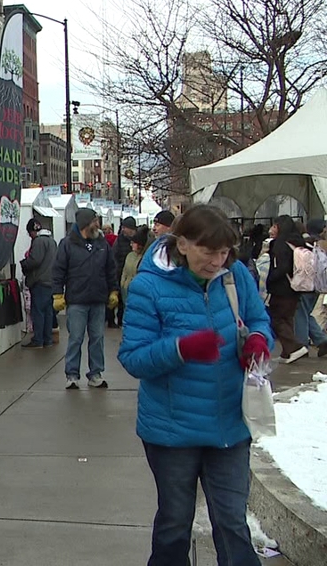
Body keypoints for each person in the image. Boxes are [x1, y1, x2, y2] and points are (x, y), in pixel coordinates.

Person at [118, 205, 273, 566]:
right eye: (209, 251)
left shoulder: (235, 276)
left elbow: (257, 319)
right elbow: (133, 357)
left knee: (233, 522)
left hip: (229, 426)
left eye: (224, 252)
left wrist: (258, 340)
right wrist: (181, 349)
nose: (218, 261)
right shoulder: (148, 286)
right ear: (183, 244)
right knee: (174, 523)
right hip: (172, 430)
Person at [53, 208, 118, 389]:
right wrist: (57, 294)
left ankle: (95, 373)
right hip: (77, 301)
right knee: (76, 338)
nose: (97, 225)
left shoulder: (102, 244)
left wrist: (113, 291)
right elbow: (58, 270)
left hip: (98, 299)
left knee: (97, 338)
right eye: (94, 221)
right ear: (85, 223)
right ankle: (72, 374)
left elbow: (111, 269)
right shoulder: (67, 244)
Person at [266, 215, 311, 363]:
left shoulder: (279, 244)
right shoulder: (298, 242)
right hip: (295, 286)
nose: (271, 229)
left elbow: (281, 266)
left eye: (274, 226)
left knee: (277, 318)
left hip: (281, 288)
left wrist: (270, 279)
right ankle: (288, 352)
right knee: (287, 318)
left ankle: (294, 348)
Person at [21, 218, 58, 348]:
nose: (30, 236)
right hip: (50, 281)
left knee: (38, 312)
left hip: (39, 281)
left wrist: (24, 264)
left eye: (29, 233)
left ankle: (38, 340)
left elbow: (34, 261)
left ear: (33, 231)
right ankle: (47, 339)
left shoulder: (38, 242)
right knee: (48, 312)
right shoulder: (52, 241)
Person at [294, 218, 327, 358]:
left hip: (305, 285)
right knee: (306, 314)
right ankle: (322, 340)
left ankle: (302, 346)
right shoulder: (320, 245)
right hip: (317, 285)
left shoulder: (304, 244)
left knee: (300, 315)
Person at [109, 217, 138, 328]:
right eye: (123, 227)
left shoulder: (136, 240)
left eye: (125, 227)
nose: (123, 229)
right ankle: (116, 320)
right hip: (120, 273)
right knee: (119, 298)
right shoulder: (119, 240)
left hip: (132, 273)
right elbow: (114, 256)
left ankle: (122, 320)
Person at [121, 225, 151, 302]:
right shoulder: (130, 255)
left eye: (133, 243)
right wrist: (122, 283)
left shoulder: (145, 258)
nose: (131, 245)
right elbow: (125, 271)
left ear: (139, 244)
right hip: (126, 290)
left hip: (138, 291)